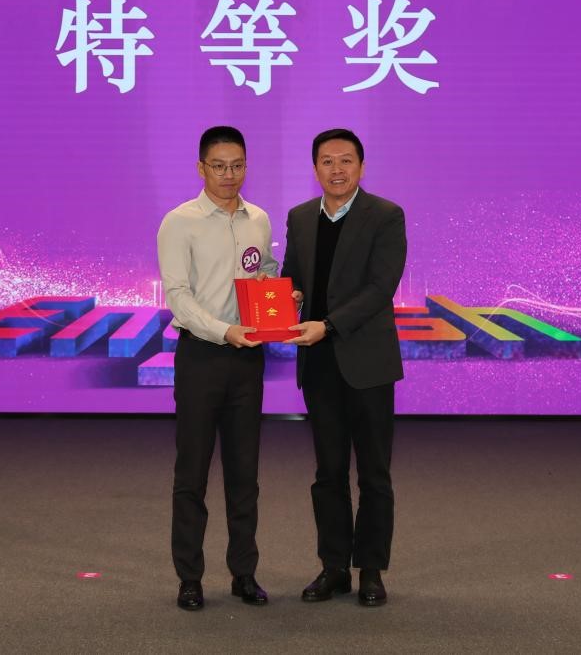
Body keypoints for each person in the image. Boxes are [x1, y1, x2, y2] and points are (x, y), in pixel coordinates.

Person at [283, 128, 406, 607]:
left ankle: (371, 570)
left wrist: (329, 325)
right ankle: (334, 567)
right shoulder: (300, 217)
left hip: (367, 362)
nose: (337, 169)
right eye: (327, 161)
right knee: (328, 472)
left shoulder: (386, 215)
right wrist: (290, 295)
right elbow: (293, 276)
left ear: (361, 166)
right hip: (318, 365)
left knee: (374, 473)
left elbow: (380, 288)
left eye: (346, 160)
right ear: (315, 168)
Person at [157, 125, 277, 611]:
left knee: (245, 473)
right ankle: (189, 577)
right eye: (219, 166)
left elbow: (263, 270)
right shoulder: (179, 222)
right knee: (192, 473)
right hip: (202, 357)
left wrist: (279, 294)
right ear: (201, 167)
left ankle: (244, 573)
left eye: (238, 165)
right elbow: (178, 297)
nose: (230, 175)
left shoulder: (258, 219)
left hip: (248, 359)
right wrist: (223, 331)